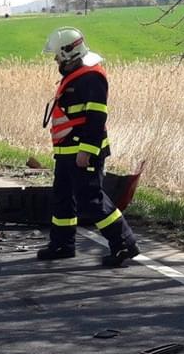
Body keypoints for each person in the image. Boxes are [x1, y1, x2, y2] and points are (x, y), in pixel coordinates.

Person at [37, 27, 139, 267]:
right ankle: (62, 244)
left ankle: (124, 243)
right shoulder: (75, 75)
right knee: (62, 199)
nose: (55, 59)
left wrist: (87, 150)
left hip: (83, 152)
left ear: (68, 52)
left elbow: (96, 118)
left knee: (91, 201)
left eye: (57, 55)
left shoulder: (92, 77)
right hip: (66, 152)